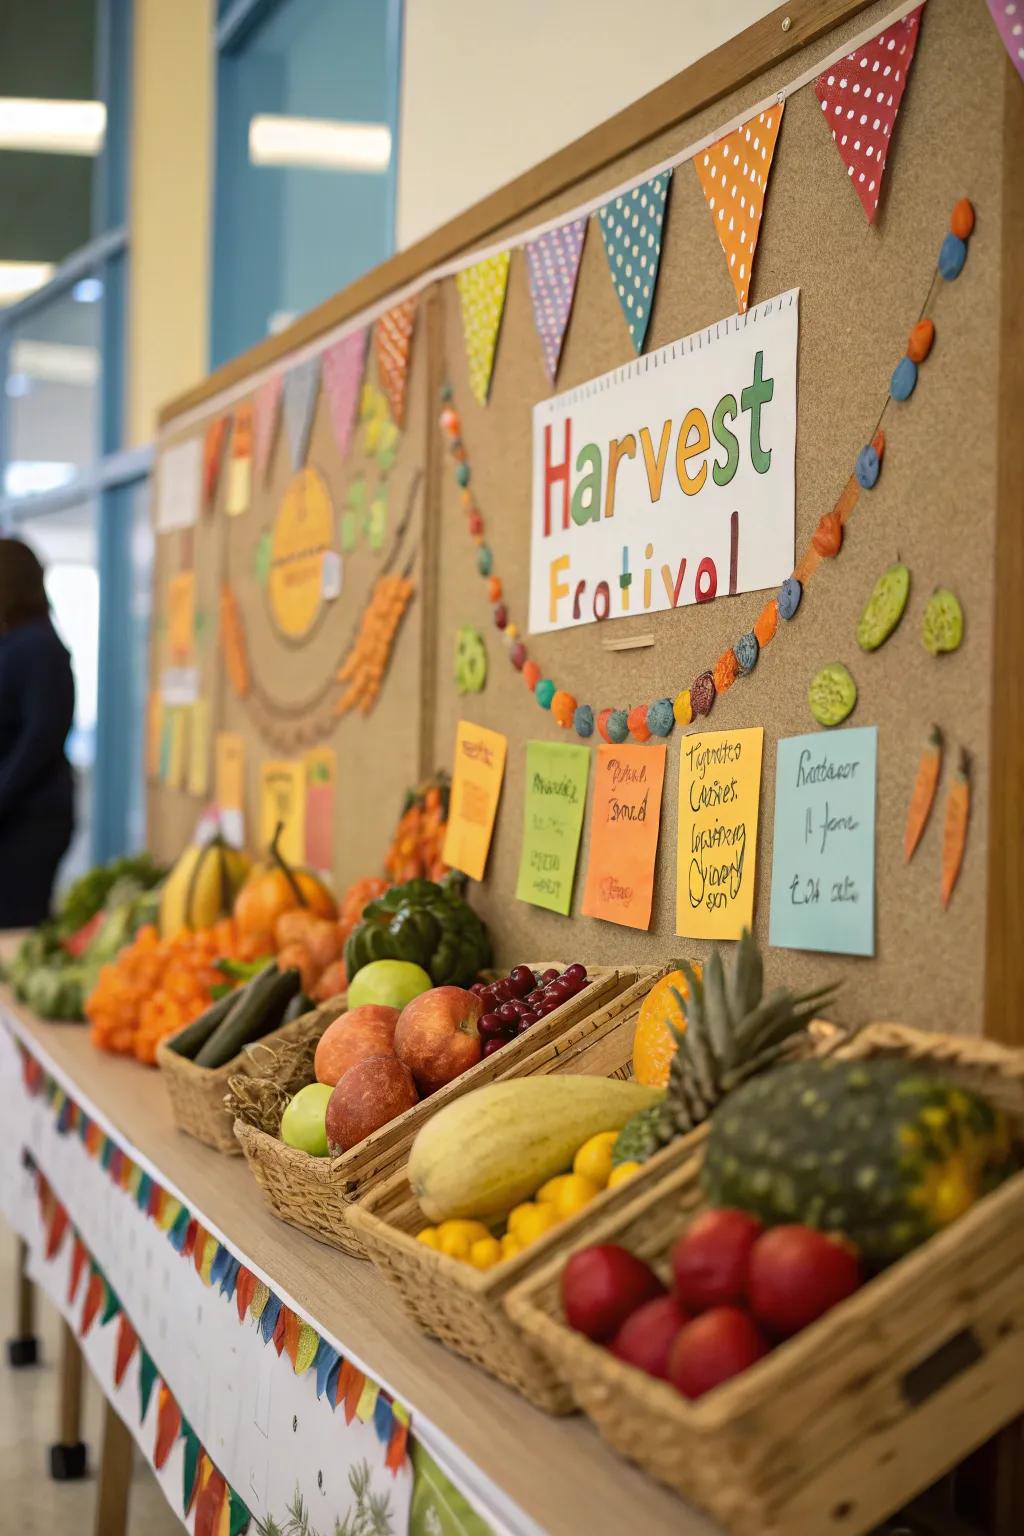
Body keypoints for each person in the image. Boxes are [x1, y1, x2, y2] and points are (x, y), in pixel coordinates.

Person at [0, 539, 75, 927]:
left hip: (29, 818)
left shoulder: (39, 647)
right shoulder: (19, 642)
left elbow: (41, 738)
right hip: (19, 812)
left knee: (15, 928)